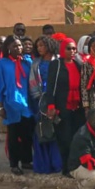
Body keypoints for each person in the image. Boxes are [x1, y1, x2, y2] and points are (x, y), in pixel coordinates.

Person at [46, 38, 85, 176]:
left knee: (77, 137)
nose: (72, 51)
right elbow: (50, 87)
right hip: (62, 107)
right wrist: (51, 106)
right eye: (69, 48)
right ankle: (67, 168)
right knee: (65, 138)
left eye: (74, 48)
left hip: (78, 107)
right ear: (63, 50)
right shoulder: (55, 65)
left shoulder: (79, 64)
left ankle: (77, 166)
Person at [0, 36, 34, 175]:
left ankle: (26, 161)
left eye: (19, 46)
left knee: (27, 134)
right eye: (15, 46)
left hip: (26, 103)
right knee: (13, 136)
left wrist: (28, 62)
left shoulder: (27, 61)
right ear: (8, 48)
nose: (18, 48)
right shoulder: (3, 63)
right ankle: (14, 163)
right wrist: (0, 106)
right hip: (11, 103)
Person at [29, 35, 62, 174]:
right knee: (43, 130)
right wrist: (40, 99)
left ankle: (58, 163)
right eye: (38, 46)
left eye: (42, 45)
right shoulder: (36, 63)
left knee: (57, 131)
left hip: (58, 99)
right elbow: (33, 83)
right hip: (42, 101)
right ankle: (44, 165)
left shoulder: (59, 60)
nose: (40, 48)